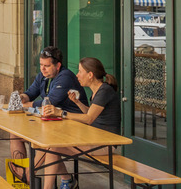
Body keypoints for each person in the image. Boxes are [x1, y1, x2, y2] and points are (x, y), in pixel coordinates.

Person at [36, 57, 121, 189]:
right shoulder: (97, 91)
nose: (77, 75)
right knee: (51, 145)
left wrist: (61, 113)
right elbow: (90, 113)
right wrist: (77, 102)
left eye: (80, 71)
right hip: (95, 138)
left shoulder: (104, 91)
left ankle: (34, 176)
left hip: (105, 143)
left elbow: (89, 119)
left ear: (90, 75)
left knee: (52, 147)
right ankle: (61, 181)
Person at [9, 46, 88, 184]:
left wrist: (26, 105)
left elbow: (50, 102)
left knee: (45, 143)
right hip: (55, 121)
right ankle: (22, 178)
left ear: (57, 65)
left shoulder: (66, 77)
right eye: (41, 65)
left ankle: (27, 174)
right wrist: (22, 97)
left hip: (74, 123)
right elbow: (31, 92)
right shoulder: (43, 76)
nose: (42, 69)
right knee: (15, 134)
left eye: (46, 66)